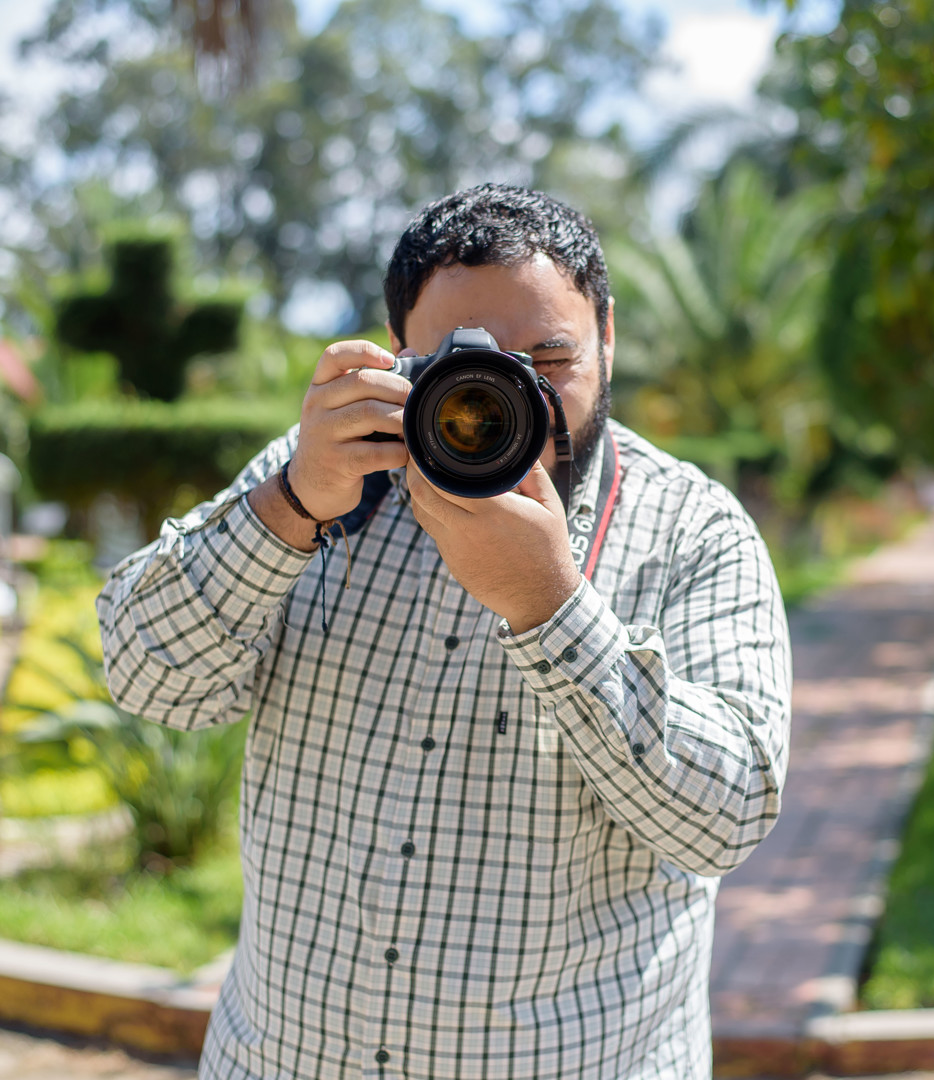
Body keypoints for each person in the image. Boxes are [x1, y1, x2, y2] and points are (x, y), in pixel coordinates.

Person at [97, 183, 791, 1080]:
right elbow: (151, 682)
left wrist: (551, 607)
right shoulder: (325, 478)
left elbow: (725, 819)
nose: (509, 399)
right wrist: (290, 506)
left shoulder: (694, 531)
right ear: (399, 358)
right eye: (466, 367)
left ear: (608, 337)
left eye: (550, 358)